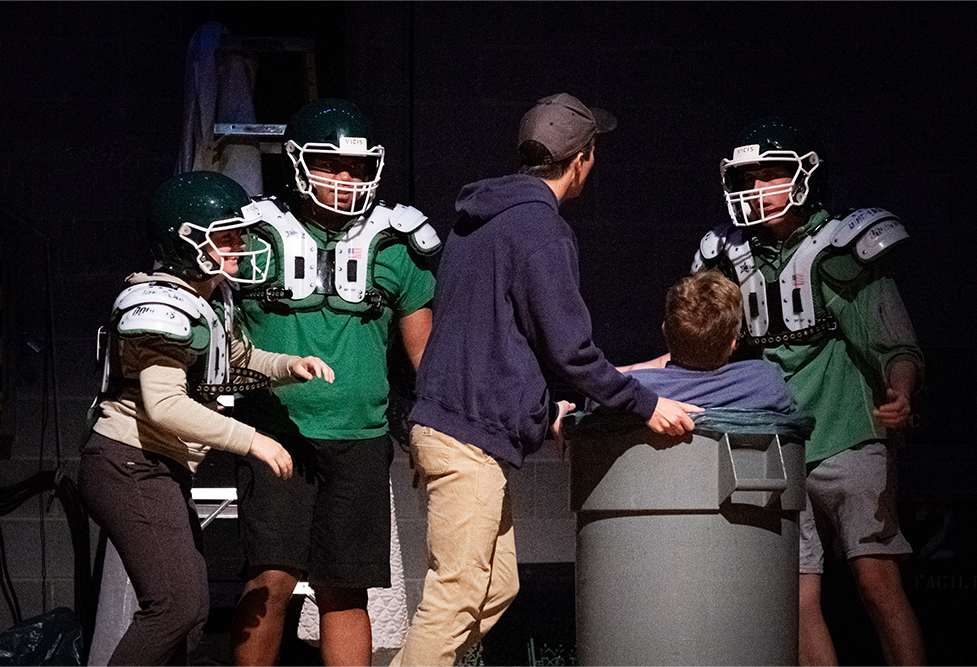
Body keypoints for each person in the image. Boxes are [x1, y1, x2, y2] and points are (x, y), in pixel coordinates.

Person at [393, 93, 702, 667]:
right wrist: (645, 404)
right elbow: (569, 350)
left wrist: (543, 409)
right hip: (466, 439)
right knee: (455, 598)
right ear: (580, 160)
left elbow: (500, 339)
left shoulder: (477, 222)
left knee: (497, 586)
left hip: (456, 424)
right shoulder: (541, 229)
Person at [692, 117, 926, 666]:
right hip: (779, 443)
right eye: (747, 177)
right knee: (795, 595)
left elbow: (895, 344)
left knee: (876, 580)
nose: (755, 188)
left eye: (768, 175)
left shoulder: (841, 248)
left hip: (850, 436)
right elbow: (706, 346)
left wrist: (901, 392)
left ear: (803, 176)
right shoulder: (731, 257)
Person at [78, 171, 334, 666]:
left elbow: (237, 359)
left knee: (189, 615)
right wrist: (253, 439)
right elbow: (165, 405)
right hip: (129, 464)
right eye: (227, 236)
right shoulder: (159, 304)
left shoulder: (206, 299)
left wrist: (289, 366)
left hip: (153, 467)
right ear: (186, 241)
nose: (240, 246)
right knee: (174, 608)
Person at [228, 98, 438, 667]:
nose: (344, 179)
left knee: (344, 587)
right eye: (330, 165)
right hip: (275, 434)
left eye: (356, 168)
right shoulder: (250, 235)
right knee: (270, 577)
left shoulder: (396, 245)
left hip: (360, 437)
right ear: (298, 162)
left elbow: (426, 357)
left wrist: (437, 431)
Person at [617, 269, 795, 413]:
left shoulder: (632, 392)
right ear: (733, 343)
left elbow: (605, 388)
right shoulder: (767, 383)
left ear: (664, 330)